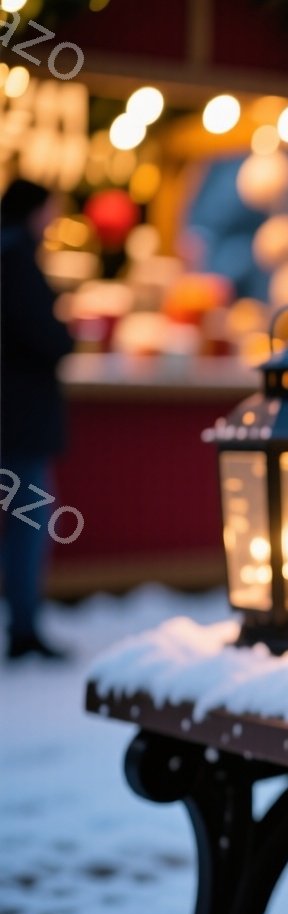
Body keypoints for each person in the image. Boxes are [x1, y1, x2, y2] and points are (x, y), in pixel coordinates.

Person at [2, 179, 74, 661]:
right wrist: (65, 333)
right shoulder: (17, 259)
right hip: (19, 420)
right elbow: (45, 337)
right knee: (30, 520)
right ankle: (24, 628)